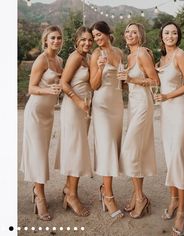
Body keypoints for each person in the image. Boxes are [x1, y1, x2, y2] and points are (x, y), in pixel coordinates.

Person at [155, 21, 184, 236]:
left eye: (173, 32)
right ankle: (173, 201)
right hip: (165, 115)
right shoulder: (161, 59)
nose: (170, 35)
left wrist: (167, 96)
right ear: (161, 36)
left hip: (179, 112)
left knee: (178, 161)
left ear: (178, 36)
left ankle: (182, 212)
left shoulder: (180, 54)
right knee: (170, 160)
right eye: (166, 32)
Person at [20, 25, 63, 221]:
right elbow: (32, 88)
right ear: (45, 40)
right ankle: (40, 196)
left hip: (48, 113)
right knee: (38, 155)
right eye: (52, 38)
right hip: (36, 112)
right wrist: (49, 90)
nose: (56, 41)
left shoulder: (60, 60)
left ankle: (37, 189)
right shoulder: (42, 59)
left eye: (59, 38)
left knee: (42, 152)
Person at [118, 22, 160, 219]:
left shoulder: (142, 53)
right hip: (132, 105)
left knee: (130, 149)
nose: (129, 34)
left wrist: (132, 80)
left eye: (133, 32)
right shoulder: (128, 56)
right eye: (127, 31)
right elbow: (130, 83)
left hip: (143, 104)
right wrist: (123, 83)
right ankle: (138, 196)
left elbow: (154, 81)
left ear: (140, 36)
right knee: (138, 151)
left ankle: (140, 198)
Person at [89, 21, 124, 219]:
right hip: (101, 105)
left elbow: (123, 79)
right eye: (94, 36)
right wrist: (101, 69)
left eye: (98, 35)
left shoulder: (119, 52)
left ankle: (105, 188)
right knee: (107, 147)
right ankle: (108, 196)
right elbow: (93, 85)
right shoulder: (96, 55)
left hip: (117, 104)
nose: (96, 39)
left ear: (107, 33)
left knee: (115, 147)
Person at [59, 26, 94, 217]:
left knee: (76, 149)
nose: (87, 43)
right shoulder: (75, 57)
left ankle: (67, 188)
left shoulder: (87, 58)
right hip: (74, 108)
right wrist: (78, 100)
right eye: (83, 40)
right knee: (77, 150)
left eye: (90, 40)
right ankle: (72, 195)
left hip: (83, 109)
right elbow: (64, 83)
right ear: (76, 41)